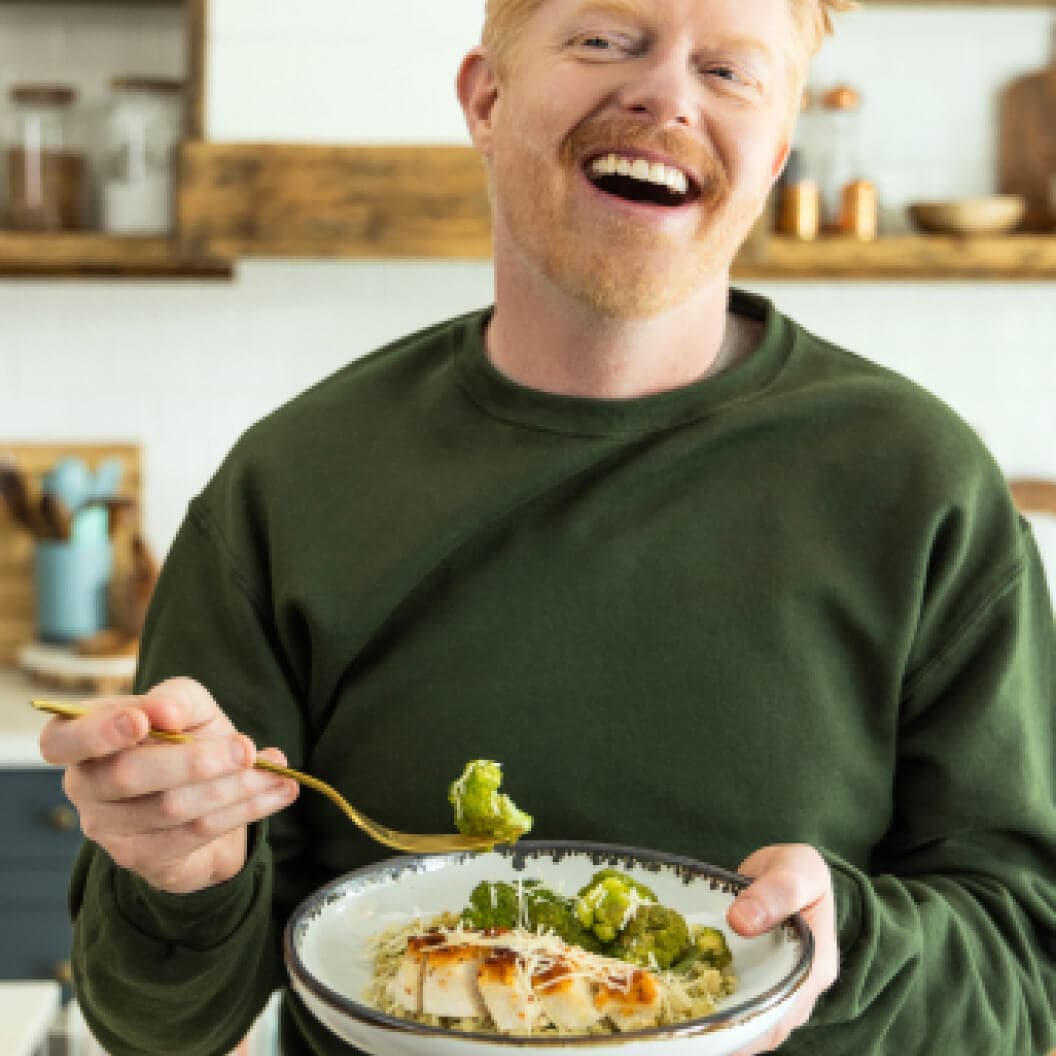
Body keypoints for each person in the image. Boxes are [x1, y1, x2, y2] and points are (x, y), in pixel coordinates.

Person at [39, 0, 1056, 1053]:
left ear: (777, 153)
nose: (664, 93)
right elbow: (147, 1026)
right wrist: (180, 875)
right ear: (486, 98)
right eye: (605, 40)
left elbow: (1031, 982)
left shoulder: (923, 486)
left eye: (730, 71)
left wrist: (854, 944)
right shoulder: (288, 486)